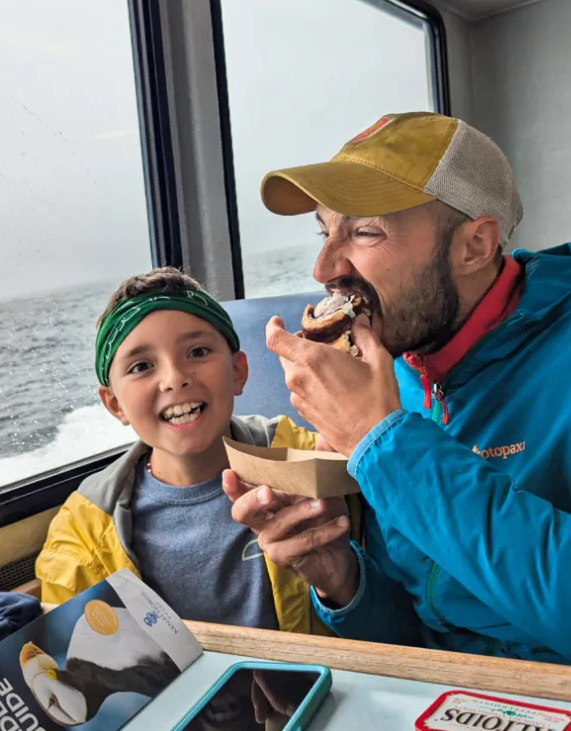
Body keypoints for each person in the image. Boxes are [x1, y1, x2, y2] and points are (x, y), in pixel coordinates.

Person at [223, 111, 571, 672]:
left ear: (475, 245)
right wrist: (343, 579)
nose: (323, 267)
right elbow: (426, 633)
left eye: (364, 232)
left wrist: (384, 443)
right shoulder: (395, 367)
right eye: (324, 230)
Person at [35, 267, 347, 634]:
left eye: (198, 352)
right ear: (115, 404)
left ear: (237, 372)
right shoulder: (83, 535)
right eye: (141, 366)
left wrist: (341, 583)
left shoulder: (311, 463)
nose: (174, 378)